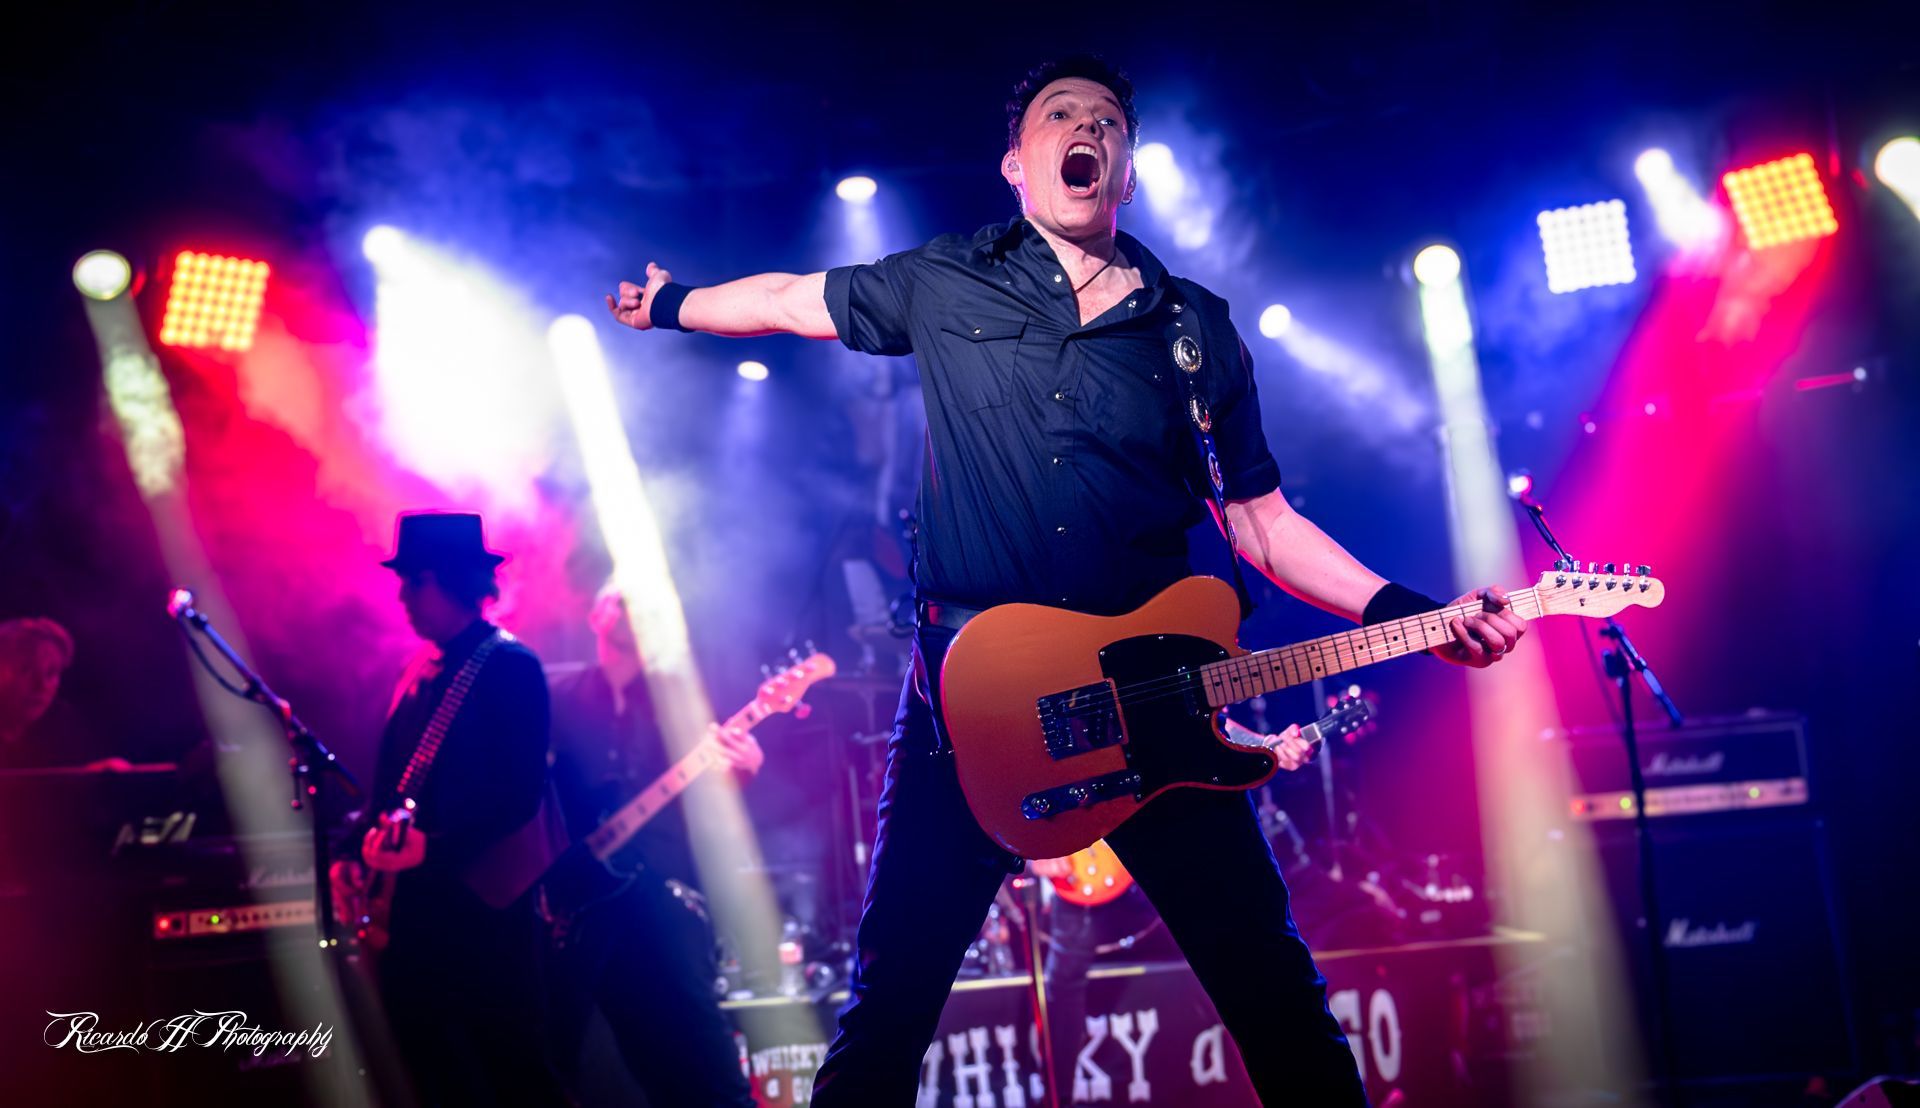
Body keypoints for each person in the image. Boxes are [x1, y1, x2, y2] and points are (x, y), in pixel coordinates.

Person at [607, 54, 1527, 1106]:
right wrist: (676, 302)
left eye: (1106, 120)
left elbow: (1262, 522)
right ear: (1019, 161)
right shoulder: (947, 280)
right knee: (891, 1007)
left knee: (1273, 992)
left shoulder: (1194, 329)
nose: (1085, 126)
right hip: (976, 700)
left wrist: (1410, 612)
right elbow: (784, 299)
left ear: (1124, 170)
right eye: (1060, 115)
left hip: (1155, 706)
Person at [329, 511, 567, 1108]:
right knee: (428, 1074)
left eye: (417, 580)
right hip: (415, 912)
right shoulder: (417, 670)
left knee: (513, 1072)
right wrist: (353, 851)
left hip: (486, 912)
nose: (404, 595)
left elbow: (519, 797)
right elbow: (389, 788)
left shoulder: (511, 666)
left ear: (451, 581)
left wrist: (432, 848)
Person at [542, 584, 759, 1107]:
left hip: (665, 893)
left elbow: (717, 801)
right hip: (578, 906)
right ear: (596, 614)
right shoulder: (556, 696)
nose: (633, 607)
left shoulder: (679, 703)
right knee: (576, 1060)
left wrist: (743, 772)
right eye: (621, 597)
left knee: (702, 1061)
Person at [1030, 719, 1320, 1096]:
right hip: (1092, 834)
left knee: (1235, 963)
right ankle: (1057, 1100)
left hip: (1172, 822)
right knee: (1064, 979)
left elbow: (1206, 710)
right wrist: (1039, 837)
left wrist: (1266, 744)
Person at [0, 617, 82, 769]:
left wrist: (96, 775)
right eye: (26, 670)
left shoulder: (61, 727)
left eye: (51, 673)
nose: (41, 686)